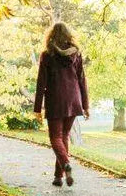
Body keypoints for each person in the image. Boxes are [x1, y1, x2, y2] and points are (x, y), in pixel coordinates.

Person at [34, 22, 89, 187]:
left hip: (56, 100)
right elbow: (82, 81)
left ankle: (65, 164)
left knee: (55, 137)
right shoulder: (76, 54)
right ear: (68, 36)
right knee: (63, 136)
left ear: (51, 36)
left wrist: (37, 108)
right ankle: (58, 177)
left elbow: (41, 83)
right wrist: (86, 105)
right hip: (74, 100)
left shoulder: (47, 55)